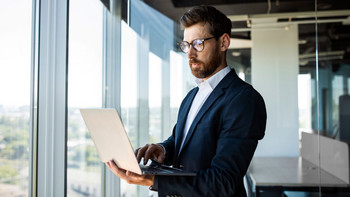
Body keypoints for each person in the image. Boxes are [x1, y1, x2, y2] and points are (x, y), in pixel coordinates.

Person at [106, 5, 266, 197]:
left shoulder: (244, 99)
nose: (190, 54)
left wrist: (152, 180)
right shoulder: (191, 96)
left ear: (223, 42)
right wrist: (164, 149)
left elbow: (224, 181)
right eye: (186, 45)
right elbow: (181, 140)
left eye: (198, 43)